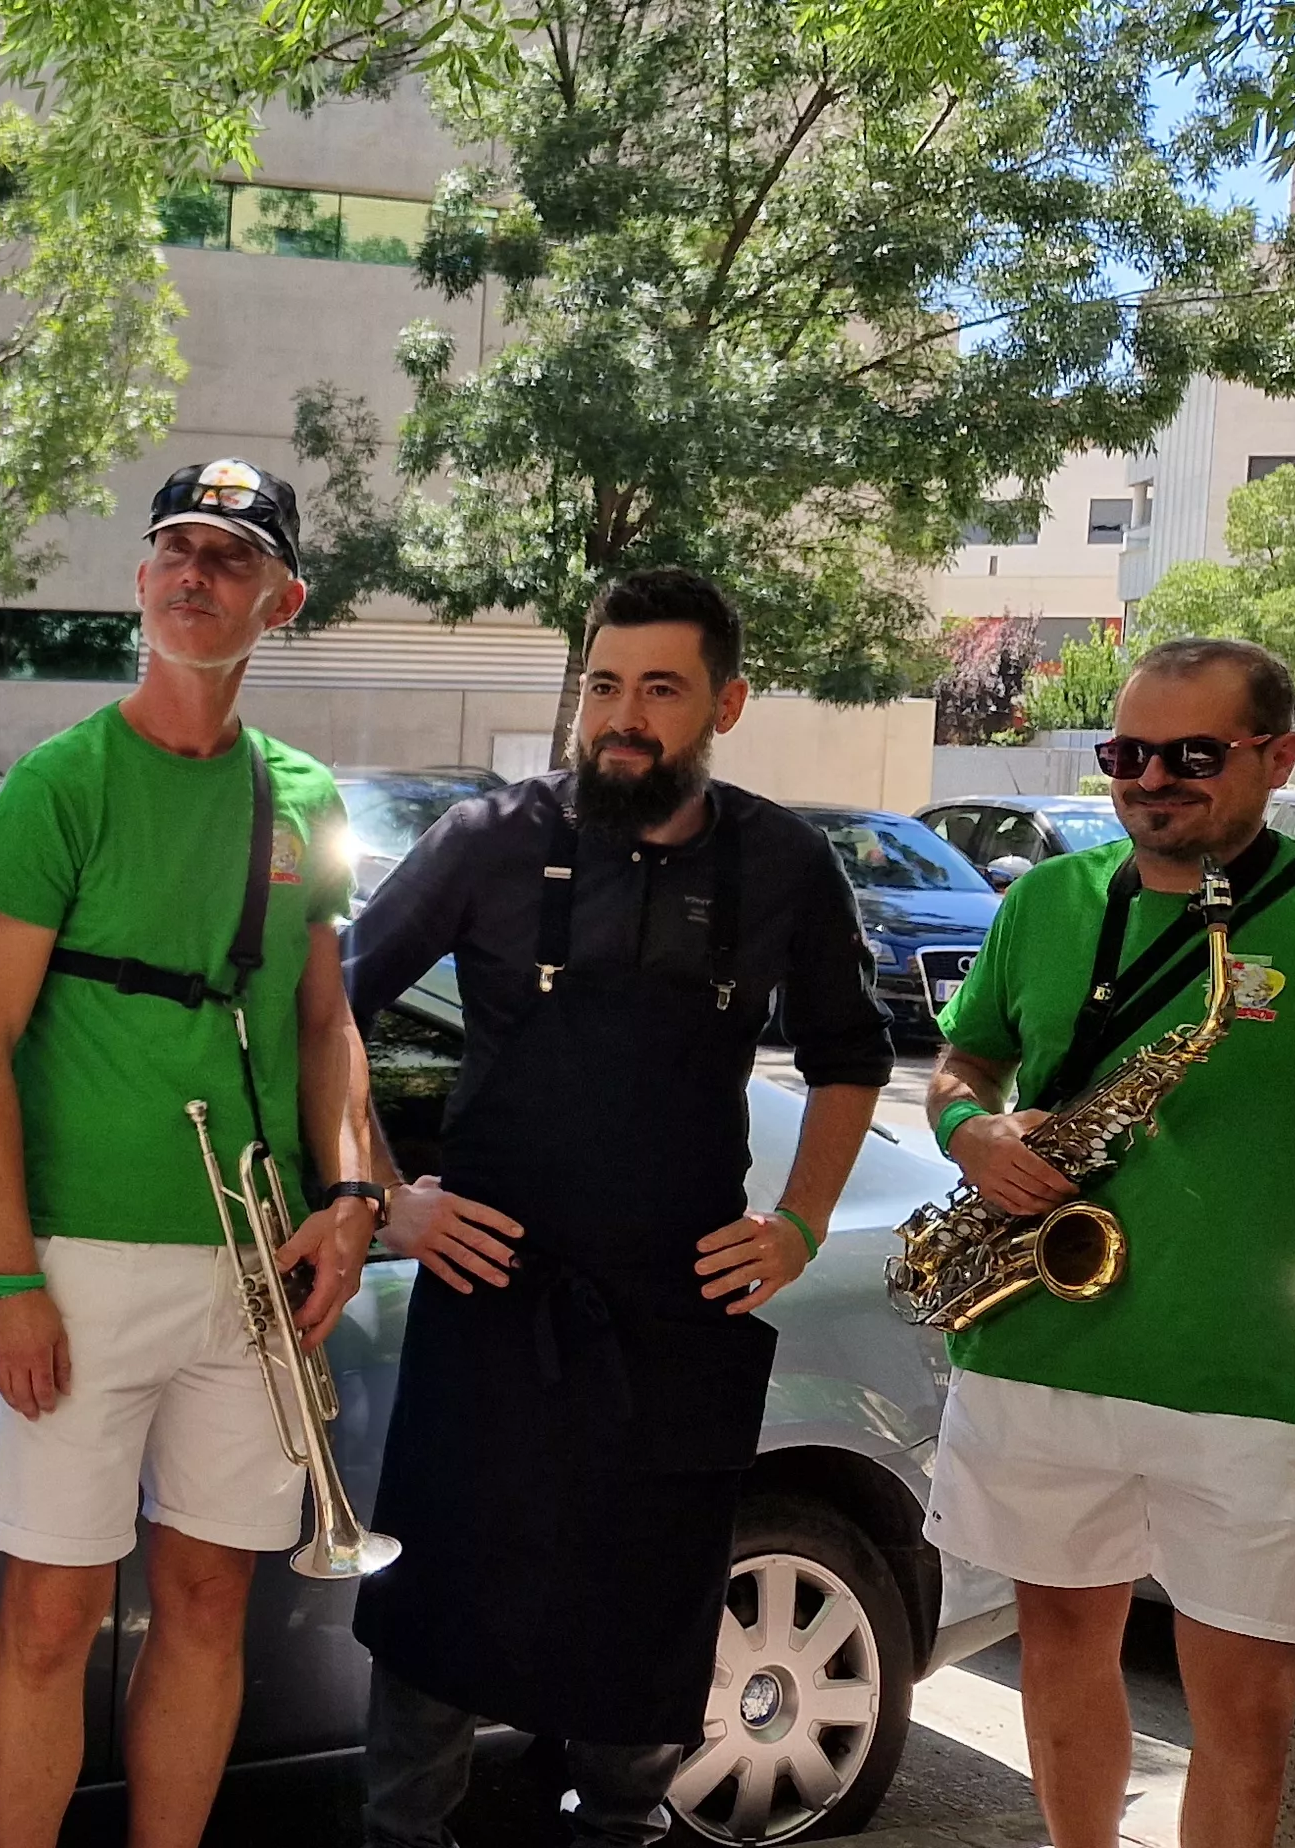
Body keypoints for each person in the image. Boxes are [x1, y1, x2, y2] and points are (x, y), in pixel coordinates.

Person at [340, 569, 892, 1846]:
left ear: (727, 704)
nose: (622, 717)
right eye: (602, 685)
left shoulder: (783, 863)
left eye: (658, 689)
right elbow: (332, 1010)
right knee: (430, 1644)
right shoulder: (484, 840)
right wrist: (388, 1195)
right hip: (489, 1304)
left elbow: (848, 1059)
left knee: (640, 1661)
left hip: (673, 1318)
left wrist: (798, 1225)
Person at [0, 458, 382, 1848]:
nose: (196, 574)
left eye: (231, 556)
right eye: (175, 550)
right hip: (79, 1267)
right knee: (51, 1614)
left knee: (208, 1604)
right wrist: (7, 1274)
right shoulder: (59, 789)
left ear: (282, 597)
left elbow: (328, 1022)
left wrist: (354, 1196)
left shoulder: (305, 795)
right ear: (141, 580)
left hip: (251, 1268)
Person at [926, 637, 1295, 1848]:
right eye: (1127, 753)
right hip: (1037, 1350)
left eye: (1191, 754)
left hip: (1240, 1373)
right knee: (1060, 1654)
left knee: (1251, 1708)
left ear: (1279, 757)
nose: (1149, 779)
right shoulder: (1047, 900)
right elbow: (963, 1065)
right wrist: (972, 1131)